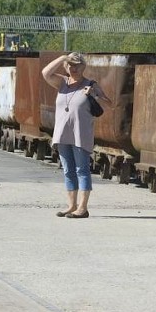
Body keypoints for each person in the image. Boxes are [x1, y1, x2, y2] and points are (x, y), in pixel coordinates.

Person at [42, 52, 110, 219]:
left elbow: (109, 104)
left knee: (82, 170)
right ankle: (71, 205)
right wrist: (62, 58)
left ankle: (82, 207)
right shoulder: (62, 82)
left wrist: (93, 94)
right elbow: (45, 73)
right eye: (71, 65)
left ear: (83, 67)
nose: (74, 68)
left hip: (81, 134)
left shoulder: (91, 84)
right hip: (62, 134)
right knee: (68, 171)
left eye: (78, 65)